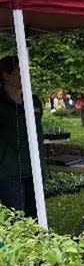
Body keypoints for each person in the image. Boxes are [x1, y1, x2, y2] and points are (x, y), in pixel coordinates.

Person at [0, 55, 45, 219]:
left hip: (34, 170)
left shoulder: (34, 101)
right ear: (6, 75)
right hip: (8, 173)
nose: (25, 74)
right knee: (16, 220)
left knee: (36, 219)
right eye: (20, 71)